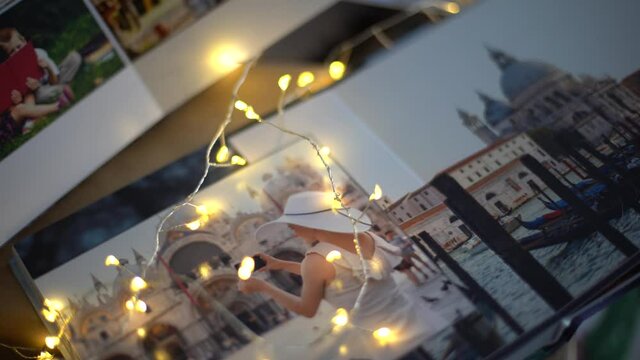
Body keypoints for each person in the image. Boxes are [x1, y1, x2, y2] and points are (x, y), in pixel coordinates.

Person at [238, 191, 448, 358]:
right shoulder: (366, 236)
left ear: (308, 224)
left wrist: (262, 287)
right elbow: (340, 275)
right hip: (420, 319)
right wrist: (282, 265)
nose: (294, 232)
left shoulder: (315, 261)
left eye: (293, 227)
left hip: (392, 345)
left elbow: (307, 309)